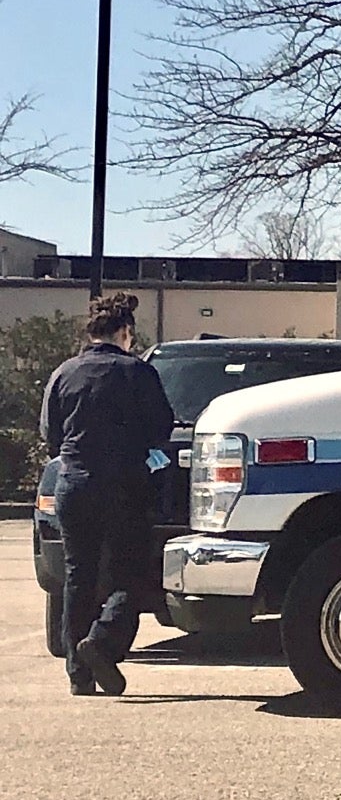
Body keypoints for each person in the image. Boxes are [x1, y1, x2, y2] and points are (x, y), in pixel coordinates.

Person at [41, 292, 175, 696]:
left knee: (78, 575)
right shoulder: (137, 373)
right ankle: (101, 642)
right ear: (125, 332)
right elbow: (161, 429)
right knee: (129, 575)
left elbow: (51, 436)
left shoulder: (64, 373)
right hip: (123, 485)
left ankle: (78, 674)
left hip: (73, 484)